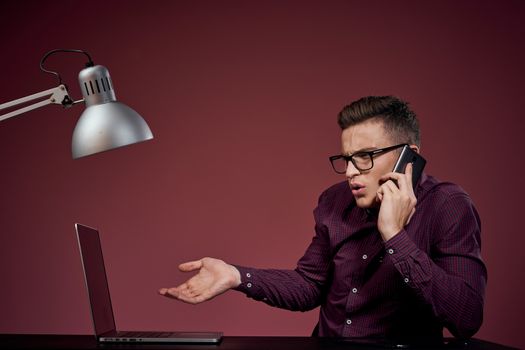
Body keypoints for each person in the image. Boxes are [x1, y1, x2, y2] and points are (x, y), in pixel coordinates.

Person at [158, 96, 487, 342]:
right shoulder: (334, 201)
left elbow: (466, 317)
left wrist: (394, 235)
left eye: (365, 157)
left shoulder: (448, 205)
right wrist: (235, 275)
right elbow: (310, 285)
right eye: (346, 159)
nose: (351, 172)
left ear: (408, 156)